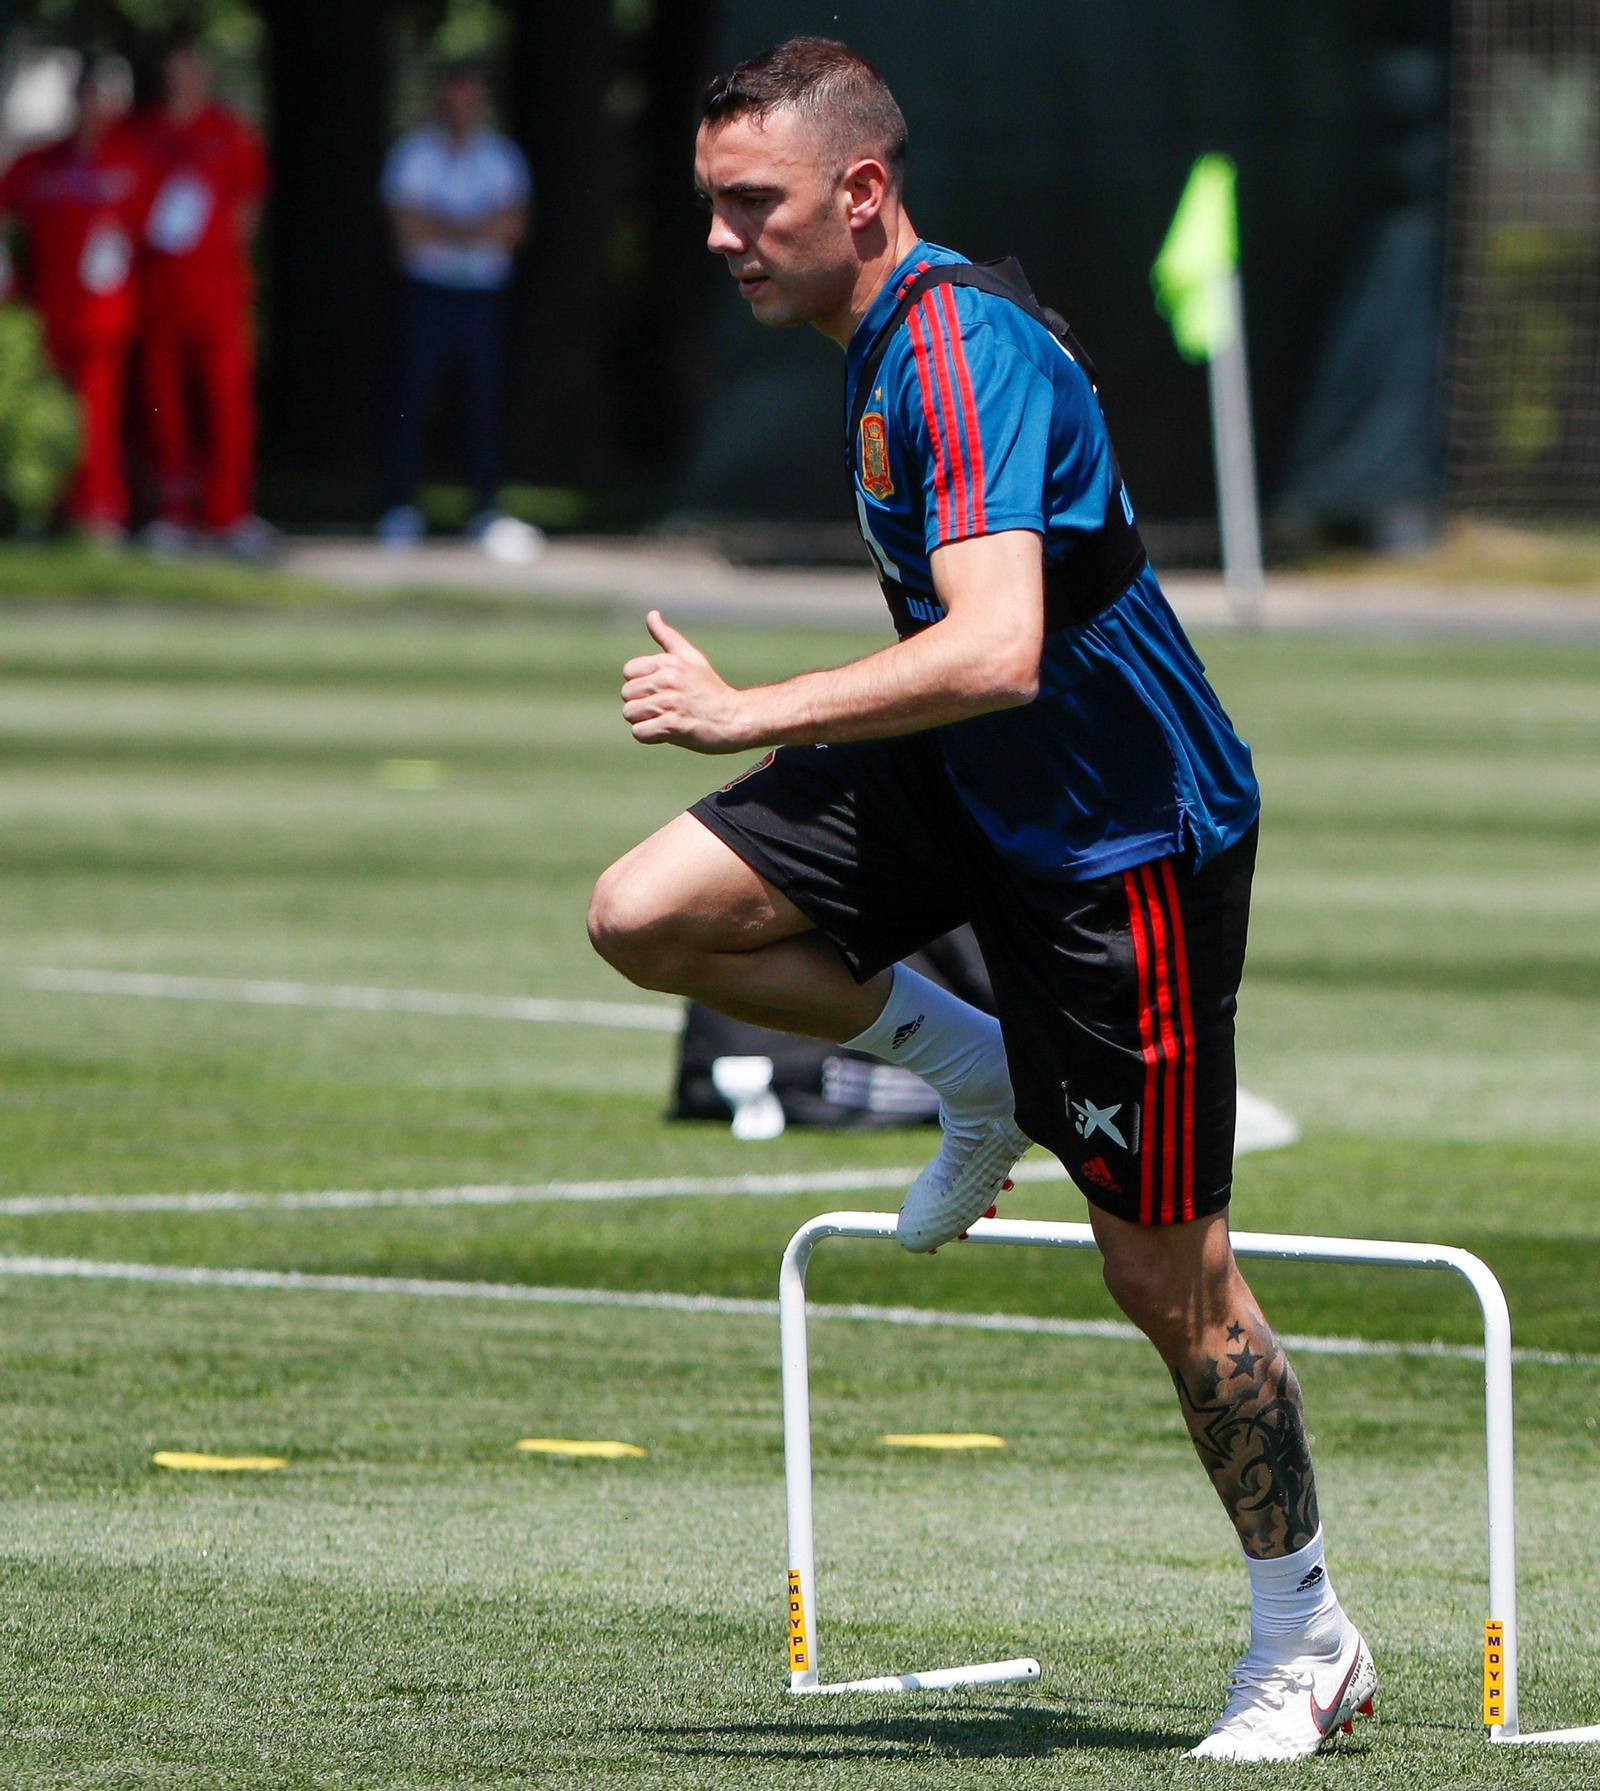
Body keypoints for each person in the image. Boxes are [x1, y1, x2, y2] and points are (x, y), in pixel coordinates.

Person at [588, 37, 1376, 1764]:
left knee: (1169, 1283)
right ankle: (977, 1069)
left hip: (1121, 844)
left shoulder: (959, 353)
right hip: (971, 779)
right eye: (711, 203)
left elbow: (1002, 648)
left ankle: (1304, 1632)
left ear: (861, 194)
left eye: (753, 205)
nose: (723, 238)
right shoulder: (891, 334)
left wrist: (748, 713)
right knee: (650, 911)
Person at [377, 59, 540, 563]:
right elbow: (407, 231)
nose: (460, 108)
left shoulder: (502, 157)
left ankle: (485, 511)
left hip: (482, 297)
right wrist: (474, 228)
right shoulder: (413, 154)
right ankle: (400, 507)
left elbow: (511, 228)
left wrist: (446, 226)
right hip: (428, 292)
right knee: (413, 396)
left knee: (484, 401)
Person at [131, 32, 270, 558]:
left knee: (227, 403)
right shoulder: (142, 135)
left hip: (218, 293)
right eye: (175, 66)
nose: (183, 78)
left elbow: (247, 209)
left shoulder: (229, 134)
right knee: (164, 403)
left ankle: (229, 512)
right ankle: (172, 511)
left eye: (192, 66)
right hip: (159, 292)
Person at [0, 55, 147, 540]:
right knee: (47, 414)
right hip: (47, 313)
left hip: (104, 317)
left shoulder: (129, 161)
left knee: (97, 415)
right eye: (82, 99)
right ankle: (41, 510)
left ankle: (98, 514)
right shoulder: (41, 164)